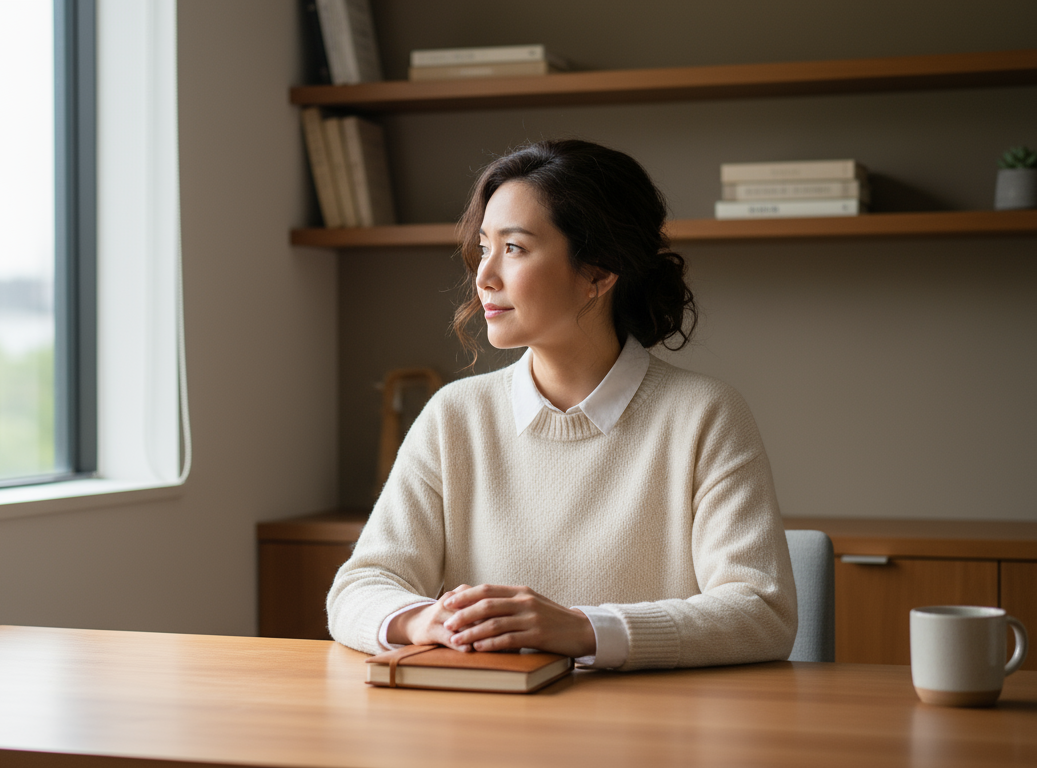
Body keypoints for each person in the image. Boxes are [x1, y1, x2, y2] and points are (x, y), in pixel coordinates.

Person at [326, 139, 796, 670]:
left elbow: (762, 612)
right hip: (487, 717)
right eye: (484, 247)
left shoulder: (705, 415)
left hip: (651, 721)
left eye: (514, 248)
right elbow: (359, 587)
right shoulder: (454, 416)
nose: (484, 276)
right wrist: (422, 621)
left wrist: (581, 630)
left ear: (598, 273)